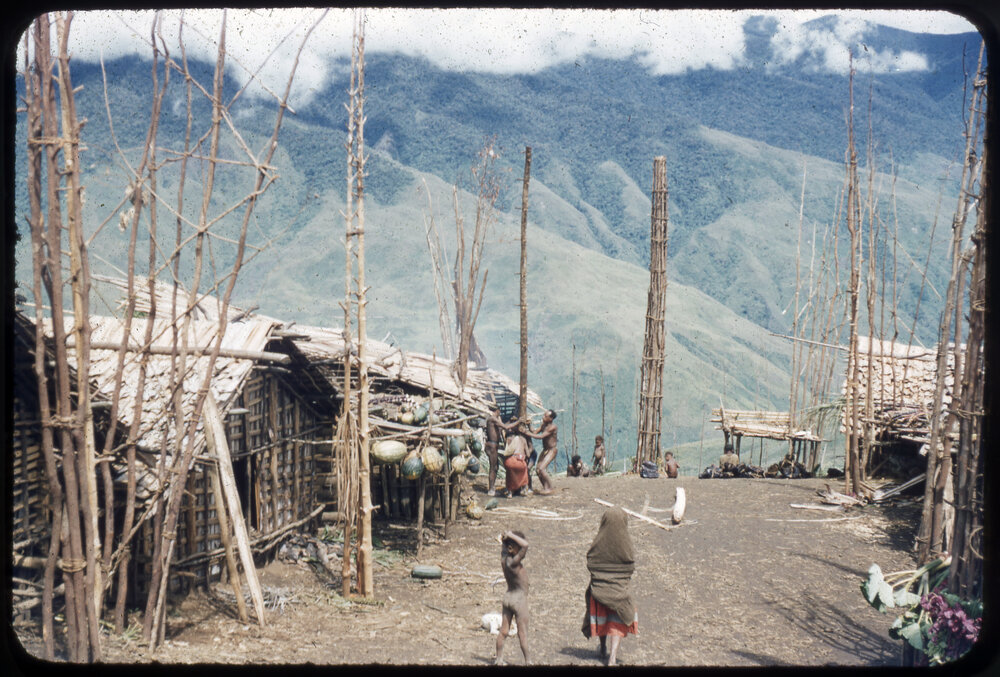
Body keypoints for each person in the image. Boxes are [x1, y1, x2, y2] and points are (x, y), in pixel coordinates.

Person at [582, 507, 638, 666]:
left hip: (599, 590)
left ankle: (602, 647)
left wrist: (601, 578)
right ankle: (612, 657)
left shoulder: (598, 543)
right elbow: (630, 567)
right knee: (616, 622)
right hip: (620, 593)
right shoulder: (626, 545)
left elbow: (591, 562)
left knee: (603, 619)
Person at [496, 530, 530, 665]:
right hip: (519, 599)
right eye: (518, 548)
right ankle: (528, 661)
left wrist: (505, 538)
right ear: (512, 548)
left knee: (503, 631)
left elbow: (504, 545)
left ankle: (499, 659)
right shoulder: (514, 562)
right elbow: (526, 545)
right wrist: (511, 535)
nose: (522, 551)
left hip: (508, 597)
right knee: (522, 633)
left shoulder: (504, 558)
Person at [485, 405, 520, 497]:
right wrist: (518, 422)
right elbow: (505, 427)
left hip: (493, 445)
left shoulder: (493, 420)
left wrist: (511, 421)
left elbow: (500, 428)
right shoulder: (492, 419)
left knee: (495, 467)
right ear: (498, 410)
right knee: (493, 468)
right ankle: (491, 489)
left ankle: (492, 488)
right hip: (492, 445)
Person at [523, 410, 558, 495]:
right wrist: (529, 425)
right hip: (545, 450)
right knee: (538, 470)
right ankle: (545, 487)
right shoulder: (544, 425)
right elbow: (535, 432)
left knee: (542, 468)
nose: (543, 417)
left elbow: (541, 436)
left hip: (551, 450)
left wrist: (527, 433)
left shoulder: (552, 427)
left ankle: (550, 488)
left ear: (551, 418)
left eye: (546, 416)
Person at [502, 424, 531, 496]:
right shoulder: (523, 440)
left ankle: (510, 493)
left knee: (509, 475)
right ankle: (524, 490)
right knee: (524, 474)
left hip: (510, 461)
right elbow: (528, 455)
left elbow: (506, 452)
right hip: (520, 461)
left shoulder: (508, 439)